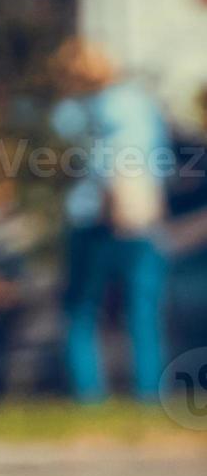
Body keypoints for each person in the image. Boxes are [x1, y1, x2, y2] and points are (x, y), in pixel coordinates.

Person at [49, 39, 172, 402]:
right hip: (141, 222)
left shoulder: (68, 113)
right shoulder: (138, 104)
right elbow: (157, 160)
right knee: (144, 316)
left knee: (81, 314)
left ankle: (89, 400)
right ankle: (150, 399)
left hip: (90, 221)